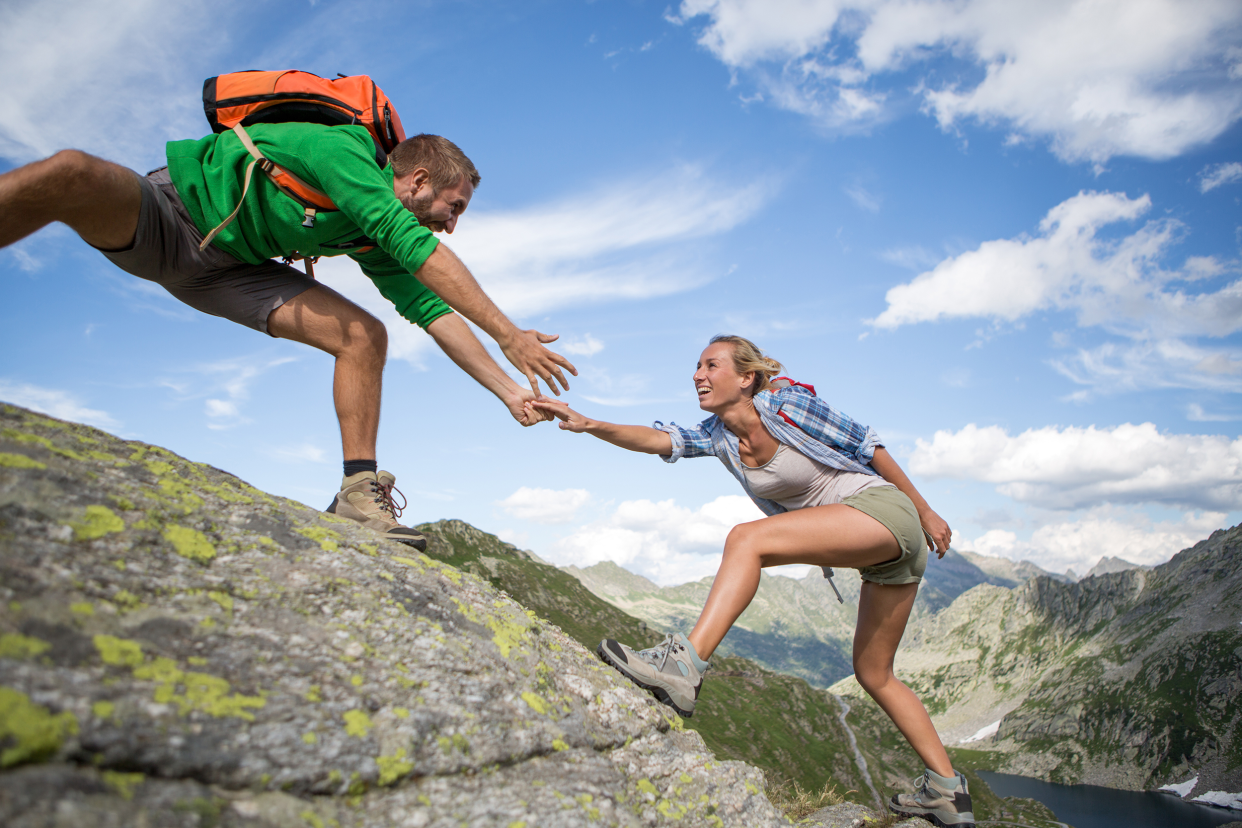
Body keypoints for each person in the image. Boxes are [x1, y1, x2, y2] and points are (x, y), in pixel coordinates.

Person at [0, 124, 575, 550]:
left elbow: (432, 310)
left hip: (233, 274)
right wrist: (508, 333)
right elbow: (418, 248)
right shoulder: (342, 152)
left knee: (364, 337)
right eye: (454, 208)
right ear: (419, 180)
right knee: (72, 173)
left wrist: (507, 390)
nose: (453, 225)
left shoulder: (371, 235)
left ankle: (357, 491)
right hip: (170, 219)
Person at [531, 335, 974, 828]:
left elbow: (869, 447)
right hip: (878, 553)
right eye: (696, 366)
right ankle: (947, 791)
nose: (698, 374)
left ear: (746, 377)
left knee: (746, 540)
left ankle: (684, 665)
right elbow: (659, 439)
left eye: (711, 365)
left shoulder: (787, 404)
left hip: (882, 511)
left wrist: (926, 509)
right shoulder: (718, 434)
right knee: (874, 674)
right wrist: (589, 424)